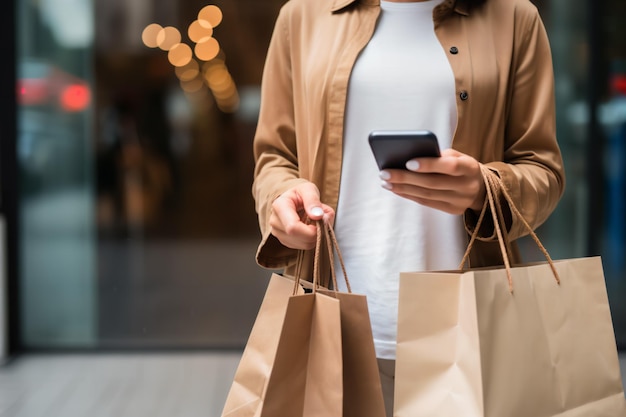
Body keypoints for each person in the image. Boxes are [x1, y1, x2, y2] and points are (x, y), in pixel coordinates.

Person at [252, 0, 565, 415]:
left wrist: (483, 189)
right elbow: (274, 157)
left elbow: (543, 168)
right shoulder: (303, 15)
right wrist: (282, 200)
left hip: (467, 328)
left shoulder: (514, 16)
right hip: (334, 320)